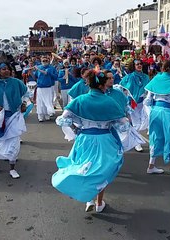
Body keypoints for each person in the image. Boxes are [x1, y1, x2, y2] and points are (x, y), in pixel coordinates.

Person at [52, 69, 128, 213]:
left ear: (89, 83)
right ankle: (99, 203)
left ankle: (89, 199)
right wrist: (110, 123)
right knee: (101, 171)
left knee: (85, 167)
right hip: (105, 140)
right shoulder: (109, 101)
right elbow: (124, 125)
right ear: (102, 85)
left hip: (84, 139)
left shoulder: (80, 100)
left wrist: (77, 127)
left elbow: (63, 119)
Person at [120, 59, 150, 152]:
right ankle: (137, 143)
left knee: (143, 121)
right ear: (133, 66)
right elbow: (122, 88)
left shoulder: (145, 77)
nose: (139, 65)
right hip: (132, 103)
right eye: (137, 64)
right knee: (136, 123)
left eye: (141, 64)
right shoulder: (129, 77)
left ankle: (131, 140)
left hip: (143, 102)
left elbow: (149, 89)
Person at [34, 56, 58, 122]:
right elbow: (35, 76)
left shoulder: (50, 68)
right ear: (41, 61)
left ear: (48, 61)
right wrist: (29, 72)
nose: (44, 62)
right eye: (43, 61)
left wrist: (38, 69)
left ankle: (47, 115)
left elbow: (46, 73)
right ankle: (40, 116)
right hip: (40, 87)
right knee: (40, 102)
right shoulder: (39, 67)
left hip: (48, 88)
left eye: (46, 61)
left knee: (47, 101)